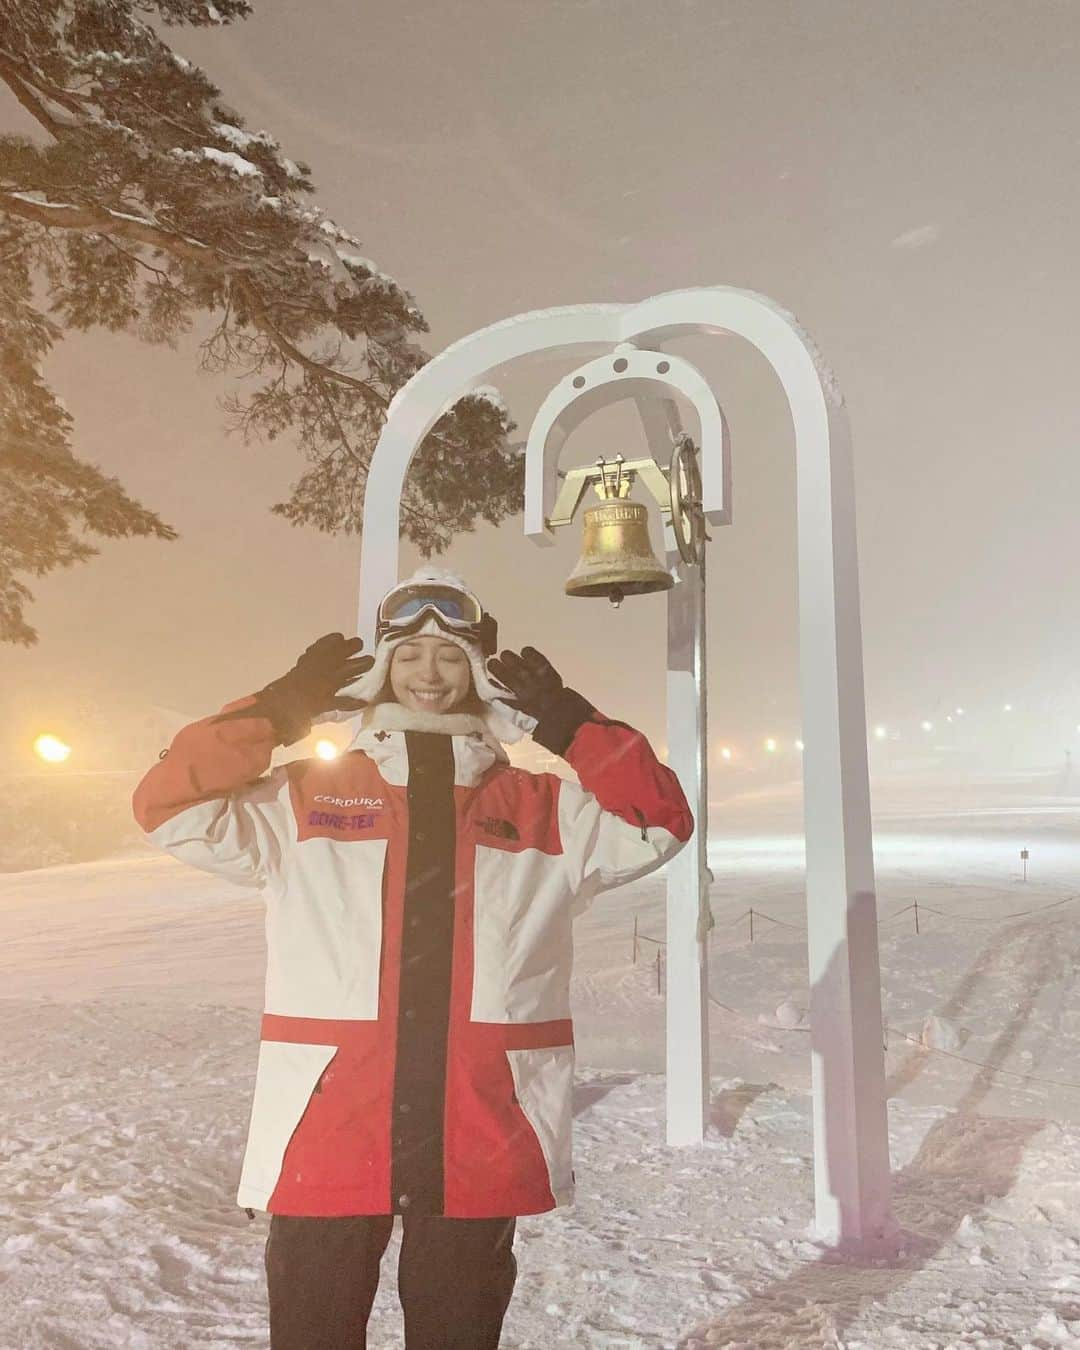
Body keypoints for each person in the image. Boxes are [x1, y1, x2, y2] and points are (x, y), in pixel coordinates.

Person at [132, 565, 693, 1349]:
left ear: (480, 673)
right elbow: (167, 802)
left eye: (452, 655)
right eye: (410, 653)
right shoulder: (305, 797)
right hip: (329, 1115)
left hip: (481, 1116)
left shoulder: (540, 807)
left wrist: (571, 724)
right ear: (382, 667)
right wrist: (276, 710)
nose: (430, 672)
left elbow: (660, 819)